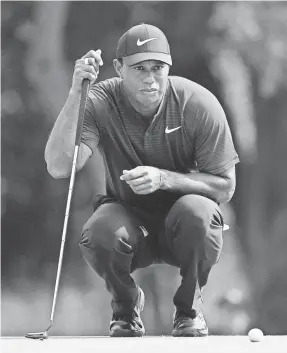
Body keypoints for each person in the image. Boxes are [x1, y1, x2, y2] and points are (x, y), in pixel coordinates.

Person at [45, 23, 239, 337]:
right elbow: (59, 166)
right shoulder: (100, 100)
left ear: (169, 67)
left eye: (157, 67)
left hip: (185, 224)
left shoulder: (198, 104)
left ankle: (189, 311)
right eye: (139, 68)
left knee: (200, 216)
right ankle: (126, 308)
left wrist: (163, 179)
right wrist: (75, 95)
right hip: (129, 221)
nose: (150, 78)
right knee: (99, 232)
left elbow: (225, 186)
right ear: (119, 68)